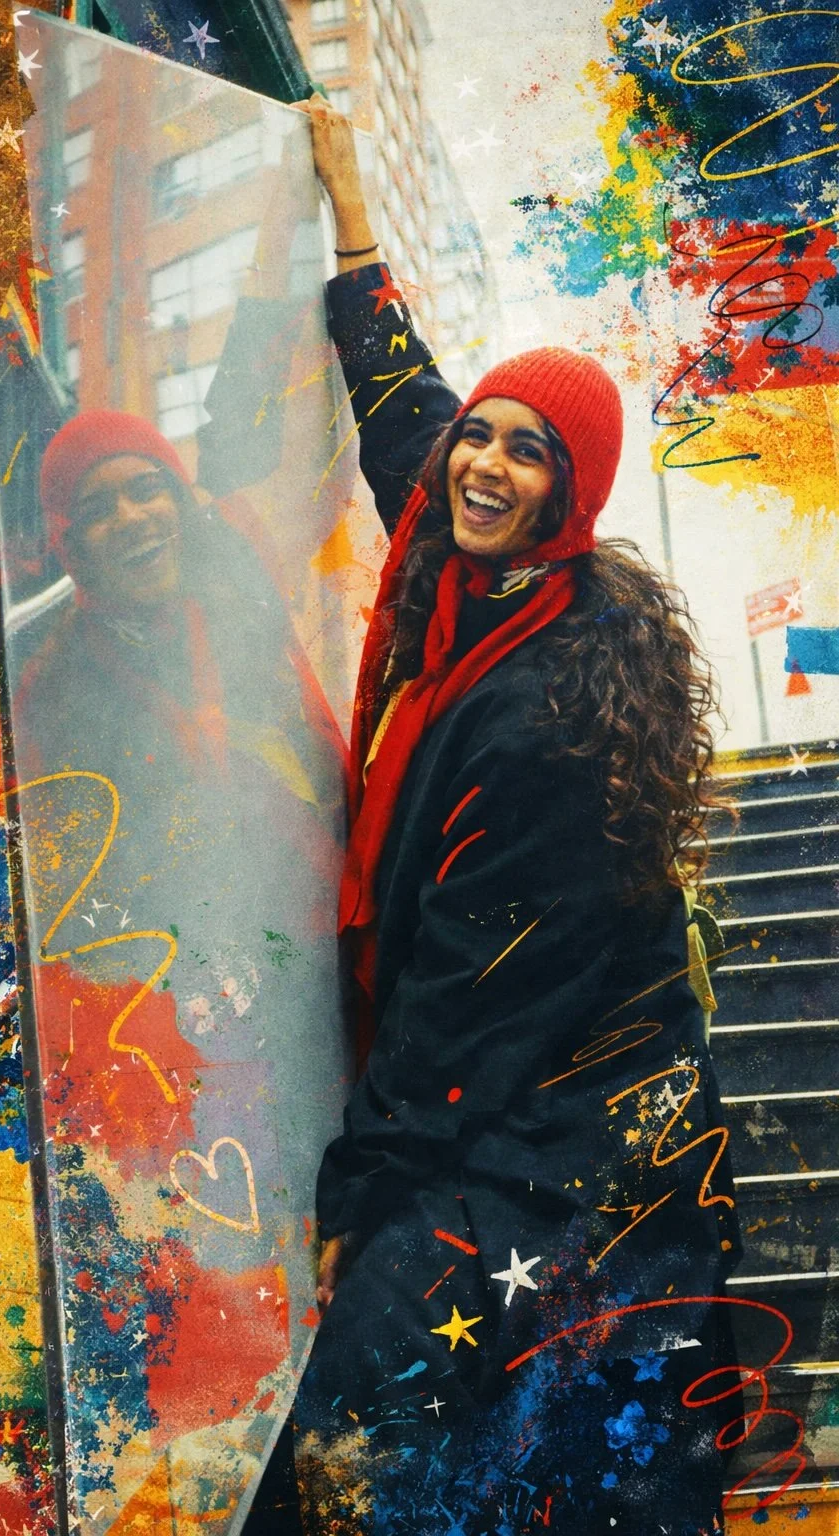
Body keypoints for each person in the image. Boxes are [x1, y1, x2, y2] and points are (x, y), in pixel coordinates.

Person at [247, 95, 741, 1536]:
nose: (484, 466)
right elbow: (407, 413)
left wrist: (356, 1197)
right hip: (510, 1093)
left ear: (569, 498)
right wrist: (352, 223)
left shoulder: (553, 704)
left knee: (424, 1451)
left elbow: (471, 990)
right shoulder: (473, 583)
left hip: (578, 1122)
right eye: (485, 437)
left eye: (529, 454)